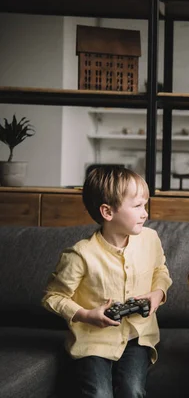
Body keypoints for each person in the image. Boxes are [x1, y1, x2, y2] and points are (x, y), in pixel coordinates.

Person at [42, 166, 172, 398]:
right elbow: (52, 297)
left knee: (133, 391)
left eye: (145, 205)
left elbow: (160, 270)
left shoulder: (150, 239)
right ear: (107, 212)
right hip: (93, 341)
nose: (145, 213)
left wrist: (158, 293)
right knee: (99, 394)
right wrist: (85, 315)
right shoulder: (80, 254)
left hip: (137, 338)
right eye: (137, 206)